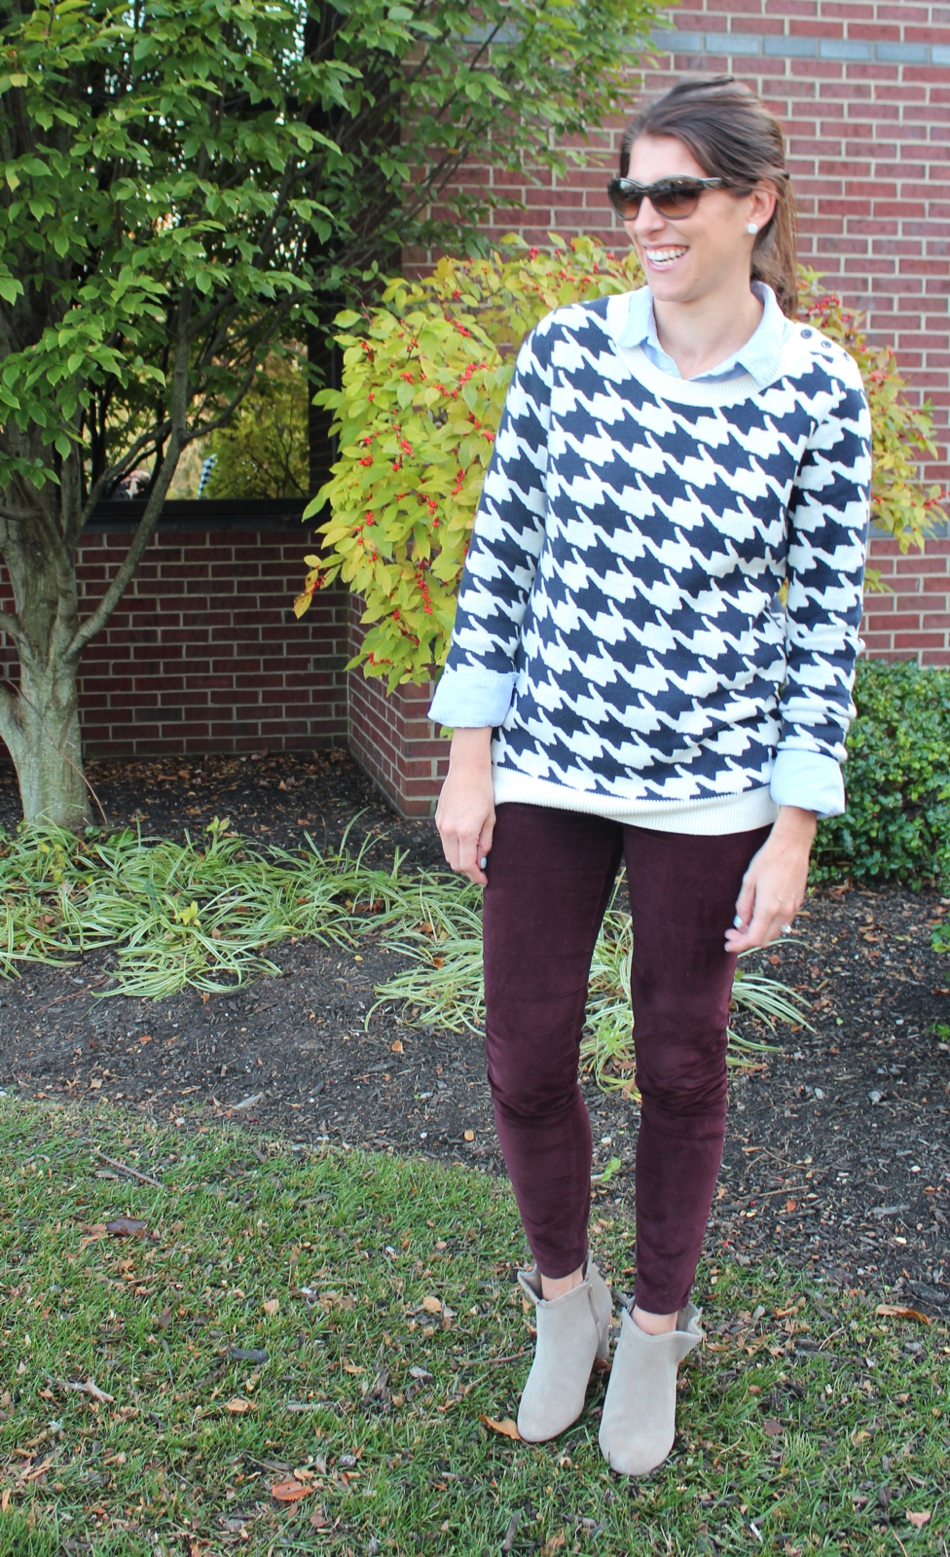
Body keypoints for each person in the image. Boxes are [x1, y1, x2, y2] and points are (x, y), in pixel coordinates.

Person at [429, 74, 871, 1476]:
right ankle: (564, 1302)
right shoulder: (565, 354)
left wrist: (794, 827)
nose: (645, 219)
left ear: (754, 203)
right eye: (630, 192)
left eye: (675, 192)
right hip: (550, 769)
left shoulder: (817, 388)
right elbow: (500, 560)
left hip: (714, 788)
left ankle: (658, 1327)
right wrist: (469, 757)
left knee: (681, 1065)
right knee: (524, 1056)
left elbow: (826, 623)